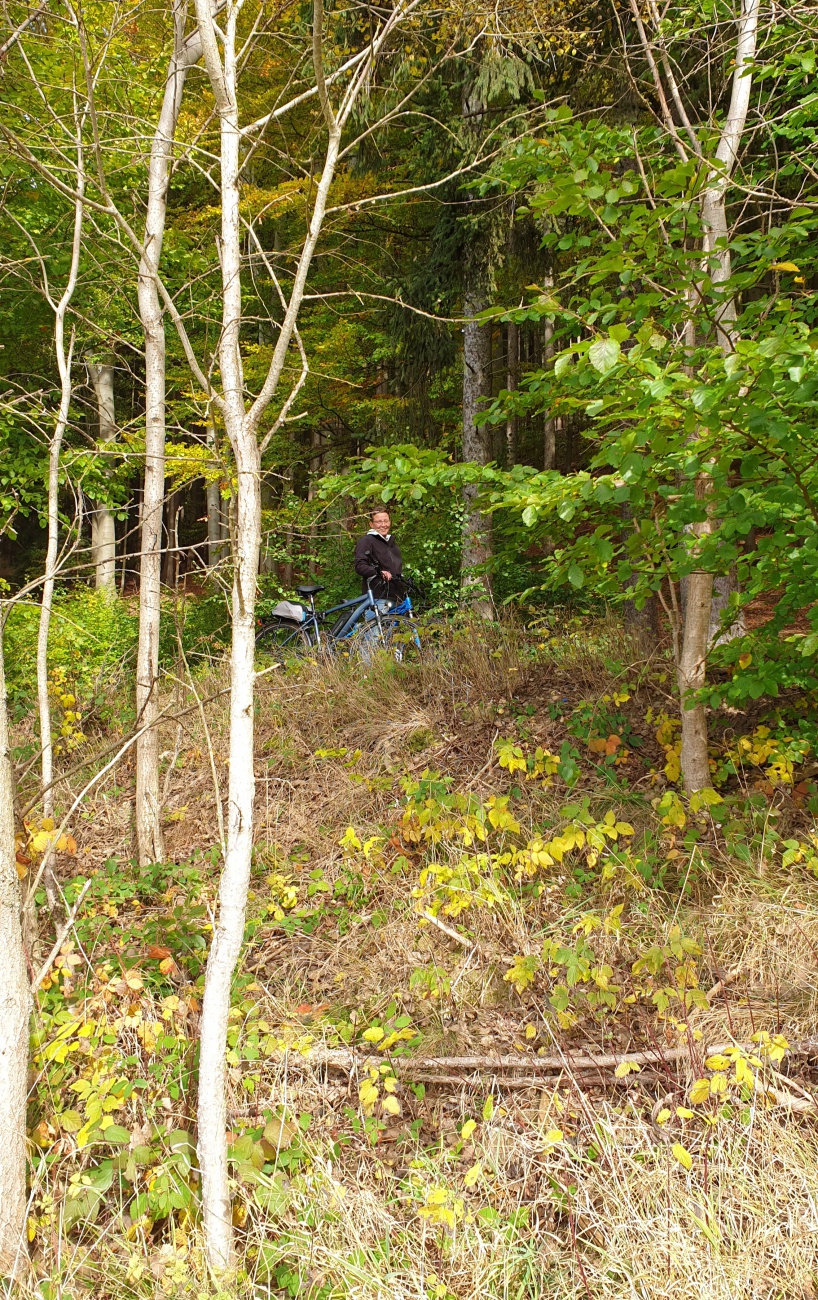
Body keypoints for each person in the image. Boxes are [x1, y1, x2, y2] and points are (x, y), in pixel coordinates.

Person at [354, 508, 403, 600]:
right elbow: (359, 566)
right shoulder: (366, 541)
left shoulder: (392, 543)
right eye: (379, 522)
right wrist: (378, 573)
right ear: (371, 524)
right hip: (377, 597)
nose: (383, 525)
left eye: (386, 521)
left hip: (397, 597)